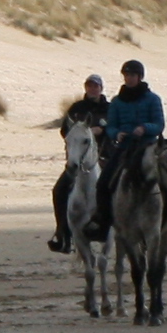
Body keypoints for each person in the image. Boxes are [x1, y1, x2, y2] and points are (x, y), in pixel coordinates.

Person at [93, 58, 167, 237]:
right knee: (103, 182)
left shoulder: (153, 99)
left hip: (148, 146)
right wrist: (115, 134)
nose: (129, 78)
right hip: (125, 147)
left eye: (132, 75)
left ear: (140, 77)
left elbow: (159, 124)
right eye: (126, 75)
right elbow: (111, 126)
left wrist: (144, 128)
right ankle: (102, 222)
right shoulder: (117, 101)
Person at [49, 72, 107, 254]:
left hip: (104, 156)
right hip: (78, 159)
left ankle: (115, 227)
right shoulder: (76, 108)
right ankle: (63, 234)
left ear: (101, 88)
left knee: (116, 186)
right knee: (59, 190)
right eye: (89, 86)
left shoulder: (109, 108)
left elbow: (117, 127)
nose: (92, 89)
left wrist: (102, 130)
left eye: (95, 86)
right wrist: (78, 132)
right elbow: (65, 131)